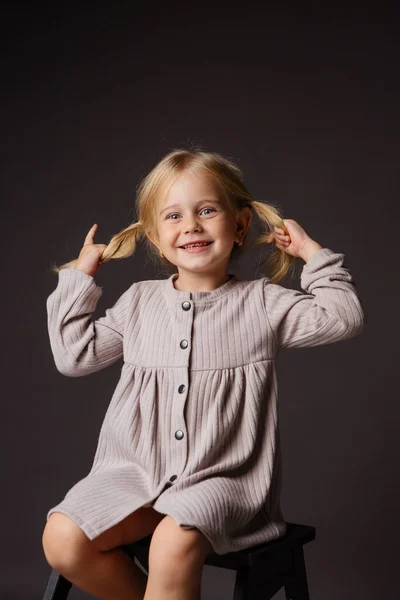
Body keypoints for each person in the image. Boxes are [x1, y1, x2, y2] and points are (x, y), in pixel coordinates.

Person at [42, 148, 365, 600]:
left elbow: (343, 317)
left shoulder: (262, 304)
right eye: (173, 216)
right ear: (155, 238)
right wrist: (79, 279)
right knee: (62, 537)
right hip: (137, 476)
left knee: (173, 543)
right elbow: (74, 357)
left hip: (224, 484)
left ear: (240, 225)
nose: (191, 225)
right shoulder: (139, 302)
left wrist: (310, 253)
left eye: (207, 210)